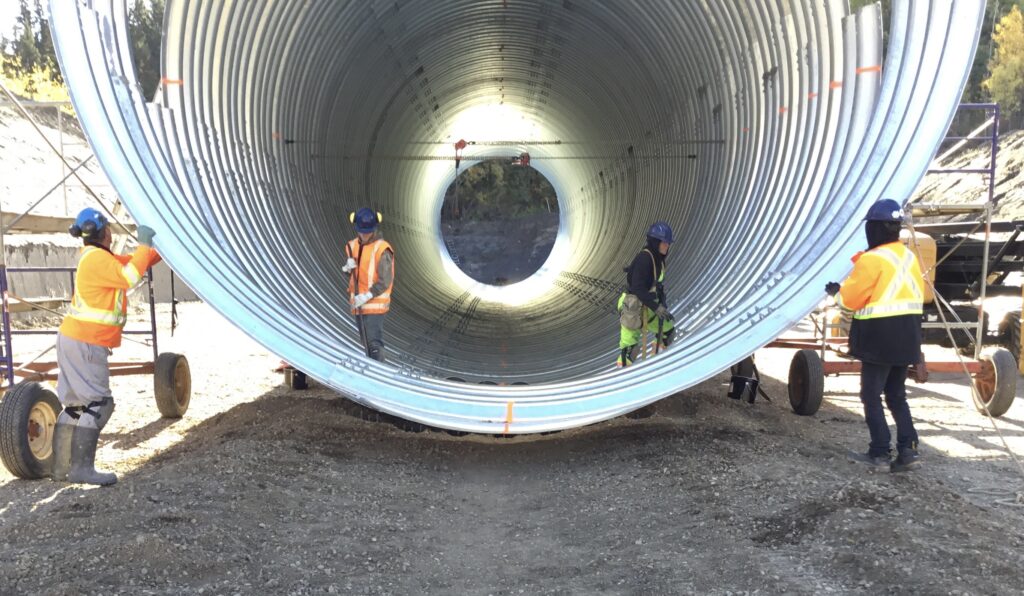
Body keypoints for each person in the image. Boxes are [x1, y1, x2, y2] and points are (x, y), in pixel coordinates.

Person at [50, 208, 161, 486]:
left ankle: (60, 469)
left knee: (76, 406)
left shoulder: (95, 258)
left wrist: (156, 250)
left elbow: (135, 262)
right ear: (105, 232)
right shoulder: (98, 260)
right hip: (86, 341)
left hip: (73, 339)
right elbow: (129, 276)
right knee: (99, 405)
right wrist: (144, 244)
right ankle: (81, 469)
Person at [826, 198, 925, 473]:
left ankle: (879, 452)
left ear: (876, 228)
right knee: (896, 395)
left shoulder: (872, 259)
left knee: (871, 395)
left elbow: (850, 301)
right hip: (907, 336)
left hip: (880, 338)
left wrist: (836, 292)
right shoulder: (908, 257)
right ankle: (908, 450)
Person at [616, 221, 675, 367]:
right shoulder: (645, 258)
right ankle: (623, 376)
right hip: (633, 306)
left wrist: (660, 305)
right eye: (664, 242)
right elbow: (637, 288)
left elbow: (655, 285)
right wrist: (657, 307)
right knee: (630, 350)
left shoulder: (658, 260)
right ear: (655, 242)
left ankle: (656, 361)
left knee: (668, 333)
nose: (667, 246)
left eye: (668, 243)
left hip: (648, 304)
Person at [344, 208, 394, 362]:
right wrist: (347, 269)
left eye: (367, 232)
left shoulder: (382, 249)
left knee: (374, 343)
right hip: (358, 305)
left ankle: (379, 374)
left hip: (374, 306)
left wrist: (367, 295)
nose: (364, 235)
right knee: (365, 342)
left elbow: (386, 279)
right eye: (361, 231)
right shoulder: (352, 246)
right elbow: (356, 275)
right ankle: (373, 369)